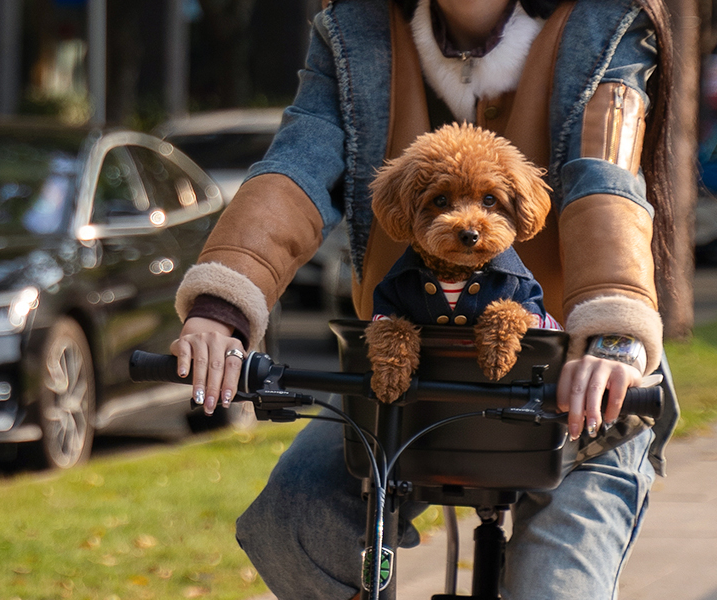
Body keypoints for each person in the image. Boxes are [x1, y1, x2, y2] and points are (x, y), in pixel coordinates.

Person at [168, 0, 678, 597]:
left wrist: (614, 333)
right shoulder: (353, 27)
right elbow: (299, 164)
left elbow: (606, 177)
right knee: (294, 524)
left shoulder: (605, 20)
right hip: (410, 373)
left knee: (553, 588)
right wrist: (223, 304)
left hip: (574, 375)